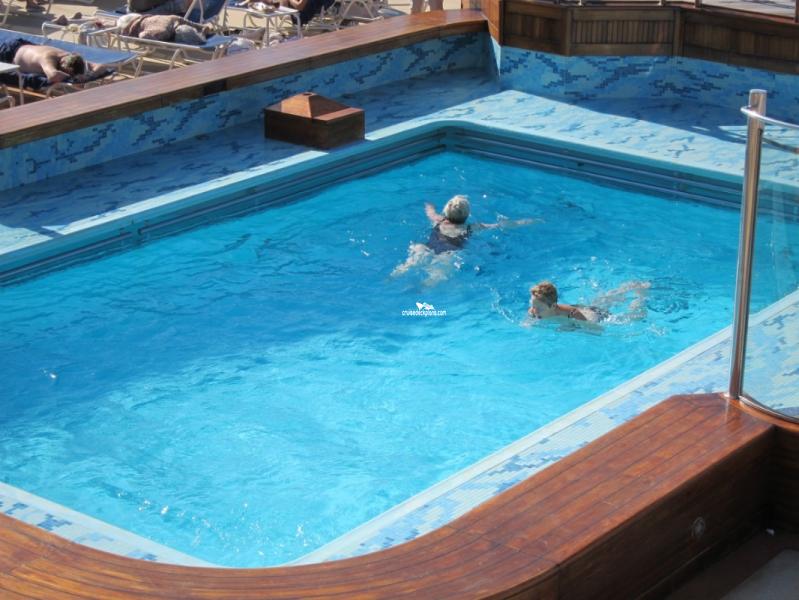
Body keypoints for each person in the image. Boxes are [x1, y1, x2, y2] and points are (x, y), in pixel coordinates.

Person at [392, 194, 537, 281]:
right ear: (467, 214)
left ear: (446, 212)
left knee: (409, 262)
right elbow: (500, 225)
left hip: (426, 248)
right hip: (447, 255)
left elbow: (430, 212)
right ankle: (422, 289)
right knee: (436, 277)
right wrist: (526, 222)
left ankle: (393, 276)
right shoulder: (471, 227)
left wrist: (428, 204)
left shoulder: (438, 220)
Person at [528, 280, 650, 324]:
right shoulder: (535, 310)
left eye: (539, 308)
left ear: (553, 306)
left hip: (591, 315)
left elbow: (597, 330)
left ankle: (640, 296)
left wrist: (572, 326)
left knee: (634, 318)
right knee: (601, 302)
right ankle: (626, 288)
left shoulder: (573, 314)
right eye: (533, 306)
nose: (534, 310)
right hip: (582, 308)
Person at [1, 38, 88, 84]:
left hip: (25, 46)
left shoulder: (68, 55)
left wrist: (84, 75)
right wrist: (72, 78)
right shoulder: (48, 58)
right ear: (62, 62)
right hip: (9, 53)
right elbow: (53, 75)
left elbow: (94, 66)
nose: (61, 71)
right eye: (63, 70)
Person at [118, 13, 215, 44]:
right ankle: (201, 29)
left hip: (174, 30)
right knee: (179, 22)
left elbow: (147, 35)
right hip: (171, 20)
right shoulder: (148, 18)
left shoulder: (140, 31)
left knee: (143, 36)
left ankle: (200, 33)